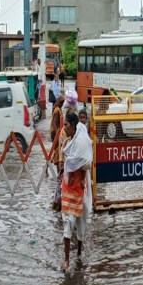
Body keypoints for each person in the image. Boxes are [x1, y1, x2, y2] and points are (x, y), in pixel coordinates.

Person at [60, 112, 93, 272]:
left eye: (66, 125)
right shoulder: (72, 141)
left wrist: (70, 161)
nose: (64, 127)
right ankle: (67, 261)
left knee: (80, 225)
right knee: (68, 224)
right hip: (70, 189)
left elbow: (82, 162)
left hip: (79, 189)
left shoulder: (80, 142)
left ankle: (79, 253)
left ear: (73, 125)